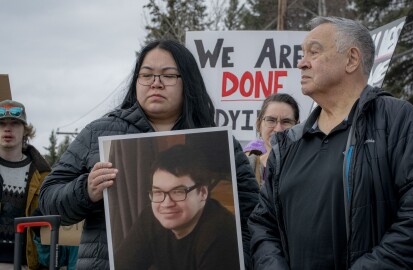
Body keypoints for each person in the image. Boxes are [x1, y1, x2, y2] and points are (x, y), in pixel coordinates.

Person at [39, 39, 259, 270]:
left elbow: (253, 216)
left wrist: (238, 259)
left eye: (168, 75)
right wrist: (86, 190)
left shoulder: (219, 141)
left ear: (188, 81)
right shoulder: (98, 132)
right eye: (146, 75)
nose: (156, 83)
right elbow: (48, 199)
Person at [248, 16, 413, 269]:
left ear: (352, 59)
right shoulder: (287, 144)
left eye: (314, 52)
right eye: (302, 54)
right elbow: (263, 225)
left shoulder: (395, 119)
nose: (301, 63)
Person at [115, 144, 240, 270]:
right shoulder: (151, 218)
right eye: (158, 192)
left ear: (202, 193)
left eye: (178, 191)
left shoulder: (222, 234)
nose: (166, 204)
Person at [0, 100, 51, 269]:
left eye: (15, 123)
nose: (8, 129)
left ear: (25, 130)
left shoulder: (43, 175)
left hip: (26, 263)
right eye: (1, 124)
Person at [244, 93, 299, 187]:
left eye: (286, 122)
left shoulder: (307, 167)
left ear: (297, 126)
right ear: (258, 124)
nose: (278, 129)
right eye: (271, 120)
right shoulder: (247, 167)